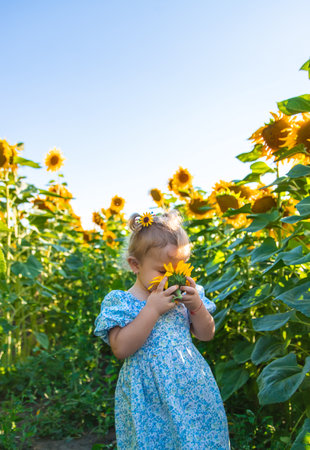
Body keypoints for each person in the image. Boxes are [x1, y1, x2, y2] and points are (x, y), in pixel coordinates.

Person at [94, 210, 231, 449]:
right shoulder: (123, 302)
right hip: (147, 392)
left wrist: (197, 306)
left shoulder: (187, 295)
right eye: (163, 271)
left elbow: (206, 334)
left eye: (180, 269)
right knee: (155, 441)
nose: (173, 278)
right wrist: (152, 310)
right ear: (135, 265)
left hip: (189, 384)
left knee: (198, 438)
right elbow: (120, 348)